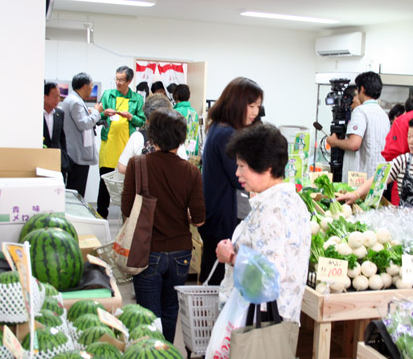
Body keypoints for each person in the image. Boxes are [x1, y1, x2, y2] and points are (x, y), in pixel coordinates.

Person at [121, 109, 205, 343]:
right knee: (170, 312)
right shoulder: (191, 171)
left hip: (147, 252)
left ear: (152, 136)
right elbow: (199, 219)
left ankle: (149, 352)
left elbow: (127, 210)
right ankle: (166, 350)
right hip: (181, 253)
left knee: (148, 316)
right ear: (181, 139)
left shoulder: (137, 165)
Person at [215, 123, 311, 325]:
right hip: (278, 316)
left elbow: (268, 277)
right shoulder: (293, 201)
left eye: (242, 166)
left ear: (266, 167)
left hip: (261, 319)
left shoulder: (273, 210)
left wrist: (231, 256)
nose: (237, 173)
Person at [198, 77, 262, 285]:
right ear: (236, 103)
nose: (255, 112)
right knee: (216, 283)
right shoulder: (227, 134)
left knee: (212, 275)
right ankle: (212, 318)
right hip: (223, 219)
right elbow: (240, 179)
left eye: (258, 106)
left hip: (218, 216)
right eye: (251, 106)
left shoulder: (219, 127)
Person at [338, 115, 413, 207]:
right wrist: (356, 194)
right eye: (408, 136)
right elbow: (378, 179)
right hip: (405, 220)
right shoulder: (403, 160)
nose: (410, 141)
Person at [97, 66, 146, 219]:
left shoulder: (137, 99)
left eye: (121, 80)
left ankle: (126, 218)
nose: (118, 83)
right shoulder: (108, 95)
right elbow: (98, 119)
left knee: (127, 186)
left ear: (129, 81)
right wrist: (104, 114)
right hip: (109, 145)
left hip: (126, 147)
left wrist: (131, 117)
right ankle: (101, 216)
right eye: (116, 79)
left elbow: (142, 122)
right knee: (104, 184)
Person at [326, 71, 390, 180]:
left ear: (362, 89)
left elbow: (354, 144)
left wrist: (334, 142)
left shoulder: (361, 111)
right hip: (377, 177)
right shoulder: (383, 114)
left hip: (359, 180)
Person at [59, 73, 103, 197]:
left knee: (75, 189)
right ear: (85, 86)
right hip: (77, 155)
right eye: (91, 85)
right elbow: (83, 124)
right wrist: (96, 112)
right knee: (76, 191)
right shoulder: (76, 102)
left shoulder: (73, 100)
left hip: (75, 152)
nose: (92, 87)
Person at [117, 94, 183, 174]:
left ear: (147, 118)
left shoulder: (137, 137)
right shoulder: (175, 137)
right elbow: (184, 165)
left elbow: (122, 167)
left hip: (143, 185)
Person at [43, 82, 70, 180]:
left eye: (59, 97)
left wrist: (64, 158)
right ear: (45, 96)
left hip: (58, 160)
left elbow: (62, 138)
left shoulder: (60, 114)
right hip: (42, 160)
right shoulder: (37, 114)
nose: (58, 100)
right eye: (55, 97)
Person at [173, 84, 200, 157]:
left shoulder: (173, 112)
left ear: (175, 96)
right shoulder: (194, 113)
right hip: (191, 151)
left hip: (177, 152)